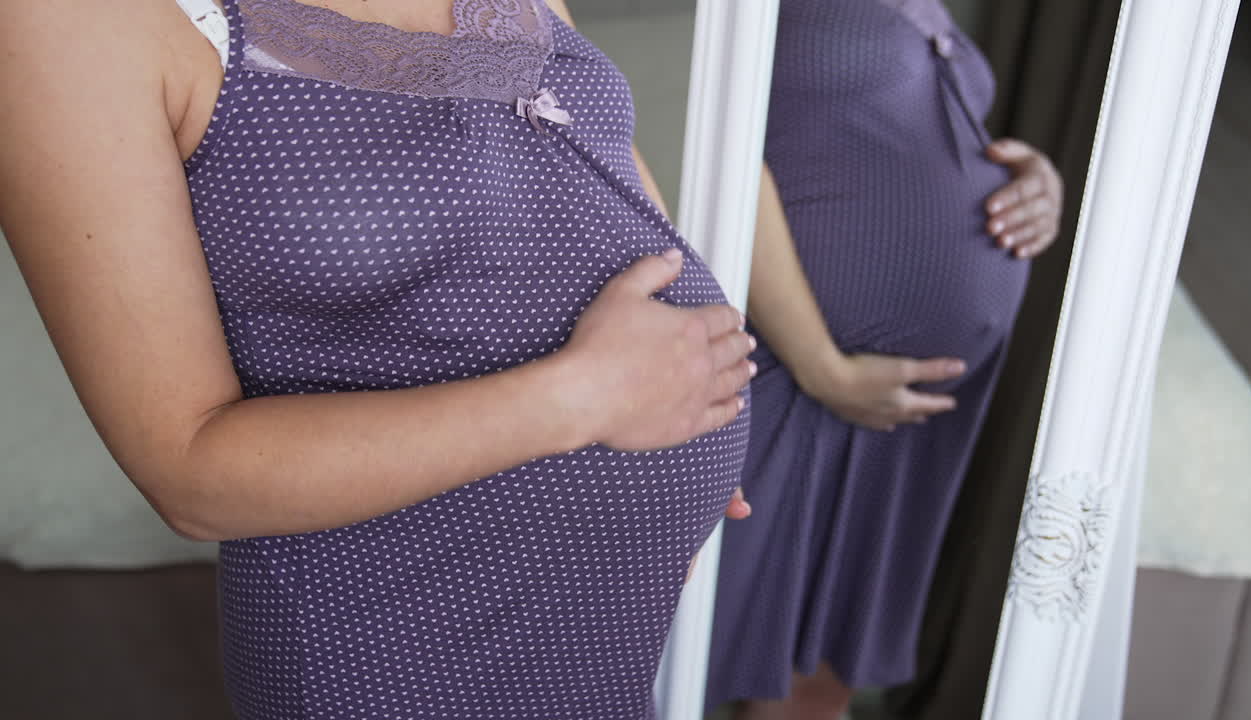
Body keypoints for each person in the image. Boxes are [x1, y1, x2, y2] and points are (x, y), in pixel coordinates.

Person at [0, 0, 753, 717]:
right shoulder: (72, 20)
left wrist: (690, 388)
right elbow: (187, 472)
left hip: (602, 615)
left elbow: (601, 167)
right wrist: (589, 399)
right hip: (400, 642)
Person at [706, 1, 1063, 718]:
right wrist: (823, 368)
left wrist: (1036, 185)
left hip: (897, 417)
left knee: (822, 669)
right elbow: (722, 148)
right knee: (695, 649)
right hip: (781, 368)